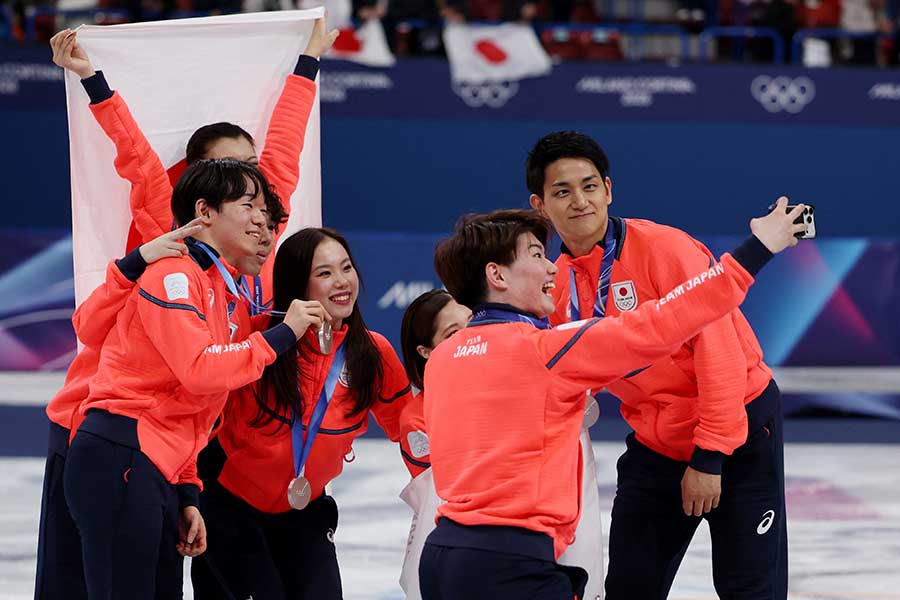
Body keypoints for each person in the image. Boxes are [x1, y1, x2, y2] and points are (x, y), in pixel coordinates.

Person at [35, 23, 336, 600]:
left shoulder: (254, 239)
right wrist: (92, 79)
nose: (256, 193)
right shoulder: (170, 244)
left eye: (255, 180)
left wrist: (308, 61)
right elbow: (137, 159)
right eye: (236, 181)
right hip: (117, 426)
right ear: (203, 198)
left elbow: (285, 151)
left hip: (188, 437)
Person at [419, 204, 806, 600]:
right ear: (497, 275)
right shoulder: (547, 351)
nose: (552, 267)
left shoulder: (443, 358)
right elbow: (665, 320)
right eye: (536, 255)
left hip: (441, 557)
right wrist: (759, 247)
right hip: (513, 565)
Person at [525, 131, 789, 599]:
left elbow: (721, 353)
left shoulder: (666, 249)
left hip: (738, 430)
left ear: (608, 190)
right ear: (540, 205)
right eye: (562, 191)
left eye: (589, 186)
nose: (580, 201)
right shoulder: (555, 281)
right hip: (657, 440)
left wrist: (709, 457)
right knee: (631, 586)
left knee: (750, 588)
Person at [63, 159, 326, 600]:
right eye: (248, 206)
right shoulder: (174, 274)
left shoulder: (223, 292)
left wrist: (186, 491)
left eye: (266, 214)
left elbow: (196, 408)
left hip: (158, 466)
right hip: (122, 452)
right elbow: (201, 370)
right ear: (204, 211)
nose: (261, 223)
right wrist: (284, 334)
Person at [191, 227, 419, 600]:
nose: (342, 281)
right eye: (325, 273)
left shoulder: (372, 355)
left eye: (346, 268)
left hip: (306, 510)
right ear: (298, 285)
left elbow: (409, 428)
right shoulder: (259, 340)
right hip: (229, 507)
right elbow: (200, 409)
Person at [398, 289, 605, 600]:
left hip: (547, 532)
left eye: (471, 323)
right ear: (426, 351)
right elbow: (435, 504)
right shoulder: (421, 416)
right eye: (453, 333)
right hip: (488, 549)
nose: (470, 338)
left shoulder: (523, 373)